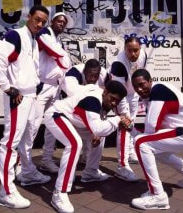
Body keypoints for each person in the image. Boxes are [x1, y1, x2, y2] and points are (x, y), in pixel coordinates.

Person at [0, 5, 50, 209]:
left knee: (28, 137)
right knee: (10, 142)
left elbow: (26, 67)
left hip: (31, 95)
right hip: (19, 97)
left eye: (43, 21)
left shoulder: (33, 39)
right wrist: (8, 88)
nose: (40, 23)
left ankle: (27, 172)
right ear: (29, 17)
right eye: (37, 19)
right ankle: (5, 191)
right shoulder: (16, 35)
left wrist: (37, 84)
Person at [44, 81, 130, 213]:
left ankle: (90, 172)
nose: (113, 103)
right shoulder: (92, 100)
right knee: (74, 144)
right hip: (57, 115)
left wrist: (102, 130)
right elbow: (98, 128)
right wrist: (118, 119)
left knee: (100, 137)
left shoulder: (103, 99)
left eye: (117, 101)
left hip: (74, 120)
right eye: (112, 98)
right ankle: (59, 192)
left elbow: (100, 127)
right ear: (105, 92)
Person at [130, 69, 183, 210]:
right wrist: (132, 128)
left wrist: (133, 130)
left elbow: (151, 127)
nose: (140, 89)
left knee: (141, 143)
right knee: (155, 148)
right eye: (136, 87)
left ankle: (157, 196)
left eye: (142, 84)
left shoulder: (158, 91)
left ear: (150, 81)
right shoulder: (156, 92)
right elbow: (153, 129)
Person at [60, 58, 110, 182]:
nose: (93, 79)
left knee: (100, 134)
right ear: (84, 72)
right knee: (74, 143)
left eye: (96, 76)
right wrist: (97, 90)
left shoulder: (104, 74)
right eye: (90, 75)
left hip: (83, 112)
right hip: (65, 113)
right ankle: (46, 161)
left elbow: (110, 96)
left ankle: (90, 170)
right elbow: (77, 95)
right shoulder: (72, 75)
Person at [36, 11, 74, 173]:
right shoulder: (44, 32)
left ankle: (46, 160)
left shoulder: (59, 40)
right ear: (52, 21)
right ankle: (21, 164)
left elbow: (65, 65)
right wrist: (64, 57)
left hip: (55, 87)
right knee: (32, 124)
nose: (61, 24)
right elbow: (61, 59)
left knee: (52, 126)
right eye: (59, 21)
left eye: (64, 23)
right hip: (41, 86)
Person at [109, 36, 147, 181]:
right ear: (124, 49)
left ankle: (130, 152)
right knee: (125, 125)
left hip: (133, 94)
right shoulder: (118, 64)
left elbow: (140, 75)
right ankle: (122, 166)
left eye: (136, 50)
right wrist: (124, 114)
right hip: (119, 95)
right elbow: (119, 92)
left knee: (132, 123)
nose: (133, 54)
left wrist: (138, 96)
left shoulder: (143, 54)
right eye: (129, 50)